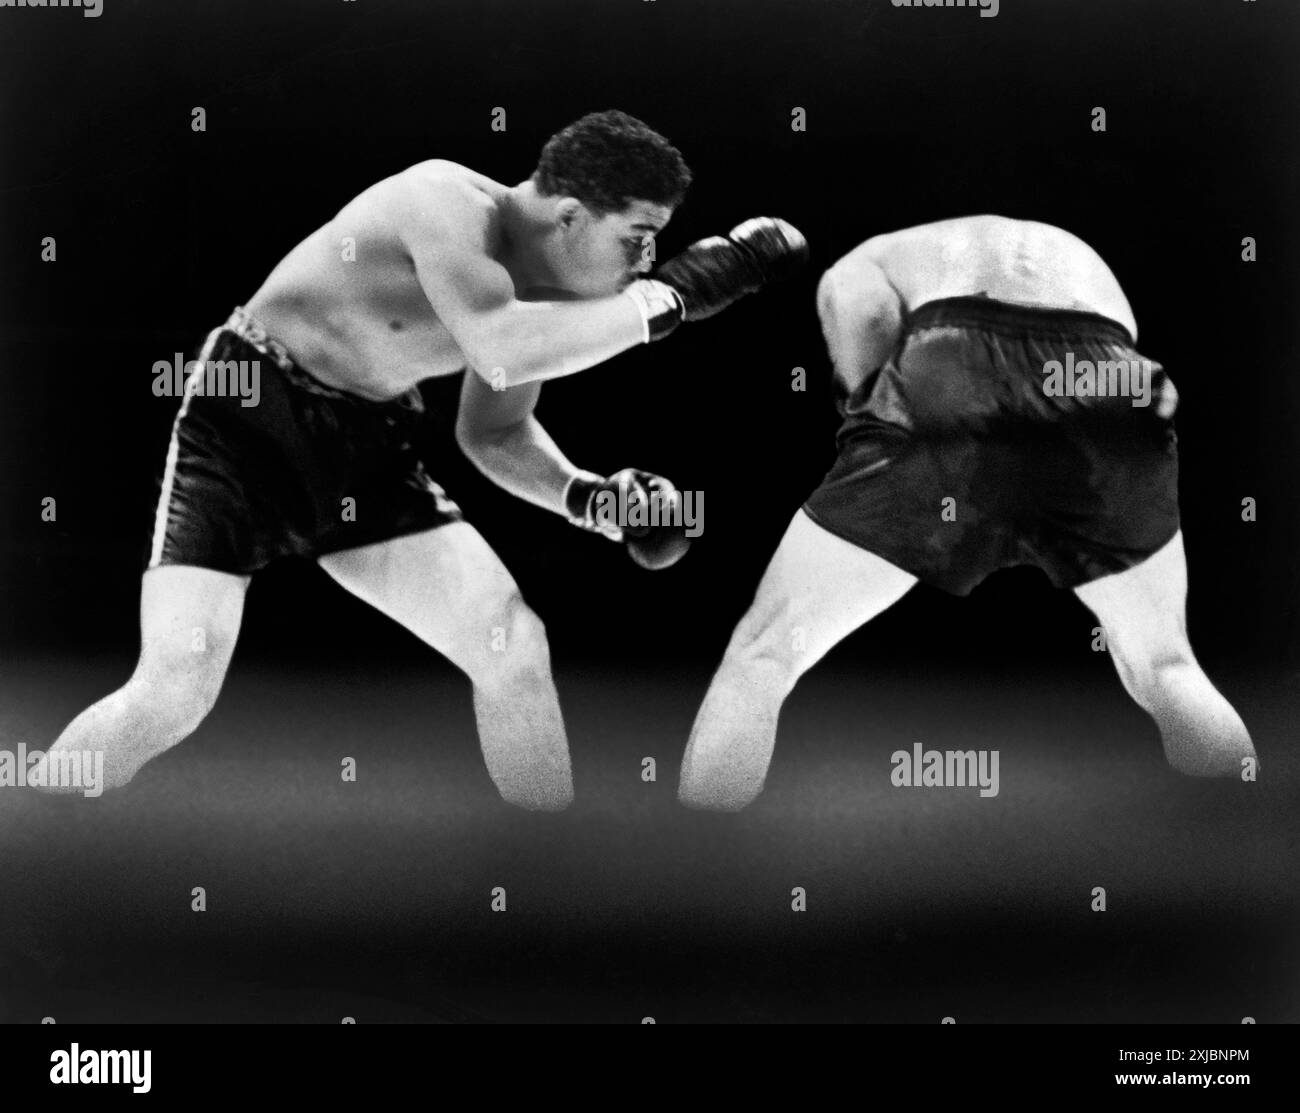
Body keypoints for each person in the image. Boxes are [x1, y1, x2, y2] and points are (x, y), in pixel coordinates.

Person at [33, 109, 807, 807]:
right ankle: (32, 834)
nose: (646, 260)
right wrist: (674, 298)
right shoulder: (442, 201)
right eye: (637, 237)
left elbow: (494, 433)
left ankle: (544, 878)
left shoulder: (550, 304)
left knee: (511, 645)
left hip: (365, 448)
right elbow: (502, 350)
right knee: (173, 689)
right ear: (571, 215)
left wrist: (587, 496)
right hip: (247, 424)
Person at [678, 215, 1255, 811]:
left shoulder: (862, 259)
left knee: (764, 653)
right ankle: (1248, 855)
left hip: (959, 360)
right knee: (1166, 665)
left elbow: (867, 318)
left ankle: (696, 878)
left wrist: (873, 419)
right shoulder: (1053, 251)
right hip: (1113, 379)